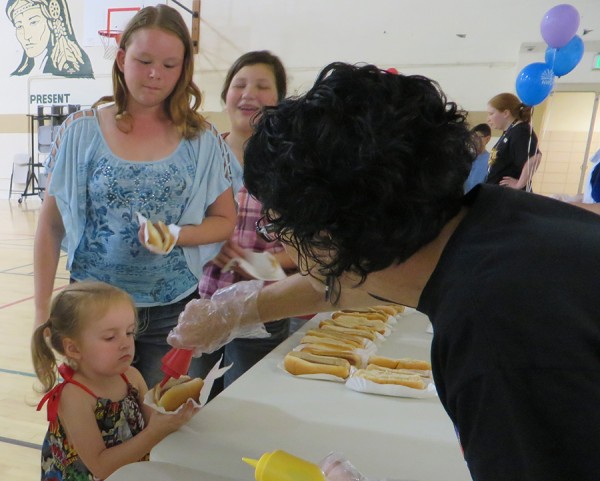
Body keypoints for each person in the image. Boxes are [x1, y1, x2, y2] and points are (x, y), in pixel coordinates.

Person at [168, 62, 600, 481]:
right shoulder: (490, 222)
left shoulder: (495, 339)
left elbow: (345, 274)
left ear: (330, 234)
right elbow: (350, 278)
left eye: (277, 228)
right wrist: (242, 309)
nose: (283, 247)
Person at [33, 4, 237, 388]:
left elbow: (224, 220)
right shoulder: (80, 132)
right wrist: (42, 308)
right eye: (144, 60)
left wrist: (175, 235)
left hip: (171, 309)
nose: (155, 74)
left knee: (157, 418)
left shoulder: (203, 139)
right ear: (123, 58)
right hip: (91, 311)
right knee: (90, 418)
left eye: (169, 64)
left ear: (183, 70)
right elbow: (50, 226)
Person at [196, 50, 298, 397]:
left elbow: (309, 250)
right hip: (199, 304)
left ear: (279, 101)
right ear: (225, 96)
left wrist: (261, 264)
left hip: (263, 309)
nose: (248, 93)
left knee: (244, 404)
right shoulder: (201, 156)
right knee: (188, 406)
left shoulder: (289, 166)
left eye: (262, 86)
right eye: (239, 84)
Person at [32, 281, 197, 480]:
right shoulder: (74, 396)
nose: (126, 343)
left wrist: (175, 414)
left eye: (129, 332)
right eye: (110, 337)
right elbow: (101, 467)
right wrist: (155, 431)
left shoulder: (131, 376)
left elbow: (154, 421)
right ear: (74, 349)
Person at [6, 0, 94, 77]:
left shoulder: (71, 67)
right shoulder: (21, 73)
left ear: (52, 22)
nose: (26, 36)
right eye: (19, 26)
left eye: (33, 22)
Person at [486, 92, 539, 189]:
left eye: (491, 114)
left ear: (506, 113)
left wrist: (519, 184)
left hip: (509, 196)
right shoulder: (509, 131)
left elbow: (534, 158)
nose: (488, 119)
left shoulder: (521, 131)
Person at [464, 123, 491, 192]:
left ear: (487, 139)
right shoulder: (465, 157)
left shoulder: (490, 161)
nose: (474, 140)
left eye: (478, 137)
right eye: (472, 137)